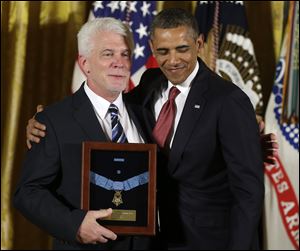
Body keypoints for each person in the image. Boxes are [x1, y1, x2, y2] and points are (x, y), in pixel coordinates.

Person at [25, 9, 278, 250]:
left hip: (207, 241)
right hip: (151, 240)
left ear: (199, 44)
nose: (173, 60)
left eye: (182, 49)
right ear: (152, 48)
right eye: (164, 51)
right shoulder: (149, 84)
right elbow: (96, 112)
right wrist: (45, 122)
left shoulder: (228, 101)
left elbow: (248, 193)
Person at [14, 17, 153, 250]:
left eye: (125, 54)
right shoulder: (54, 120)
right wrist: (75, 225)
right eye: (108, 54)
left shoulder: (146, 111)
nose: (119, 62)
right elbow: (27, 193)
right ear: (85, 63)